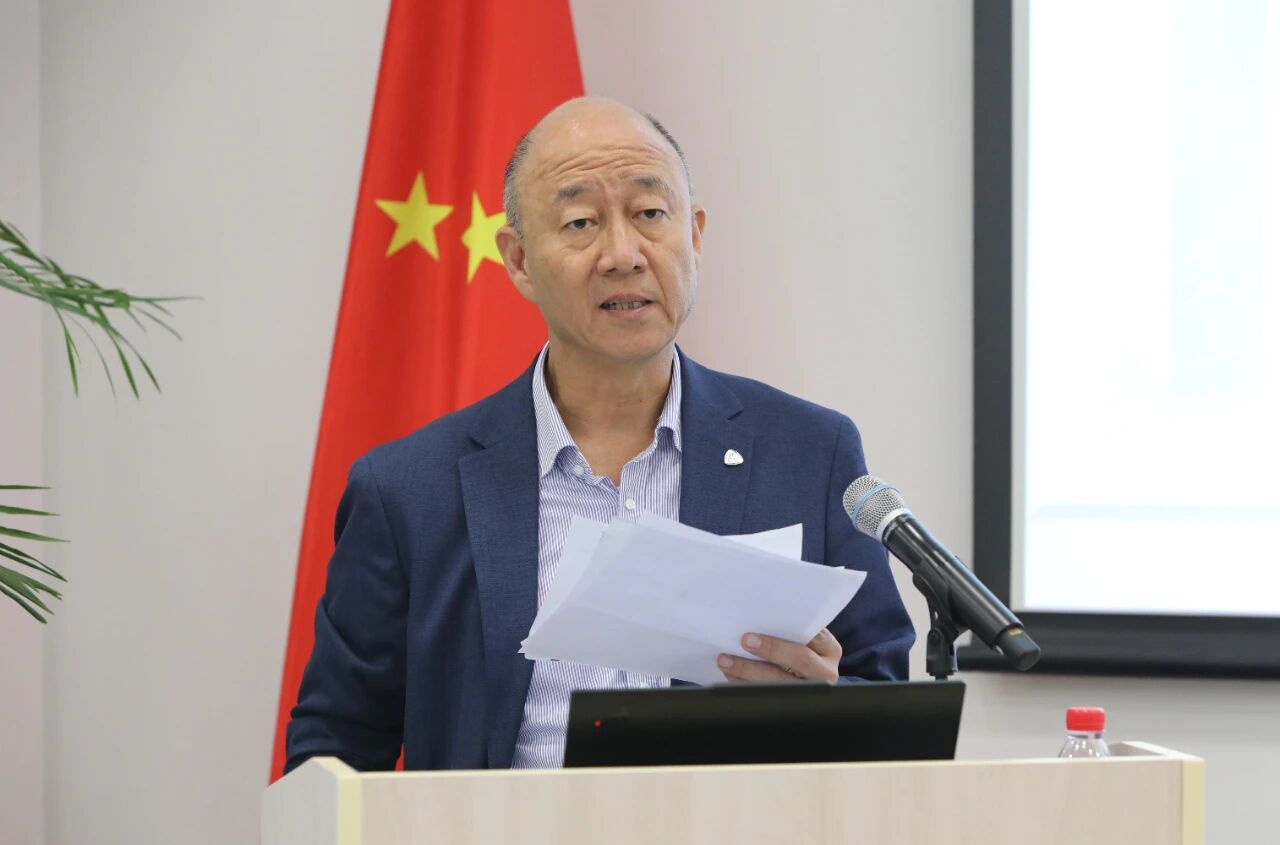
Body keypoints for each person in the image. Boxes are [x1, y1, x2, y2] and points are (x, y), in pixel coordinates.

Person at [285, 97, 915, 773]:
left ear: (695, 235)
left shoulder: (809, 454)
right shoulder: (408, 492)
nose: (623, 254)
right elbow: (333, 751)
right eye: (581, 223)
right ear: (519, 260)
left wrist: (819, 709)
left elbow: (892, 716)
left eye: (650, 214)